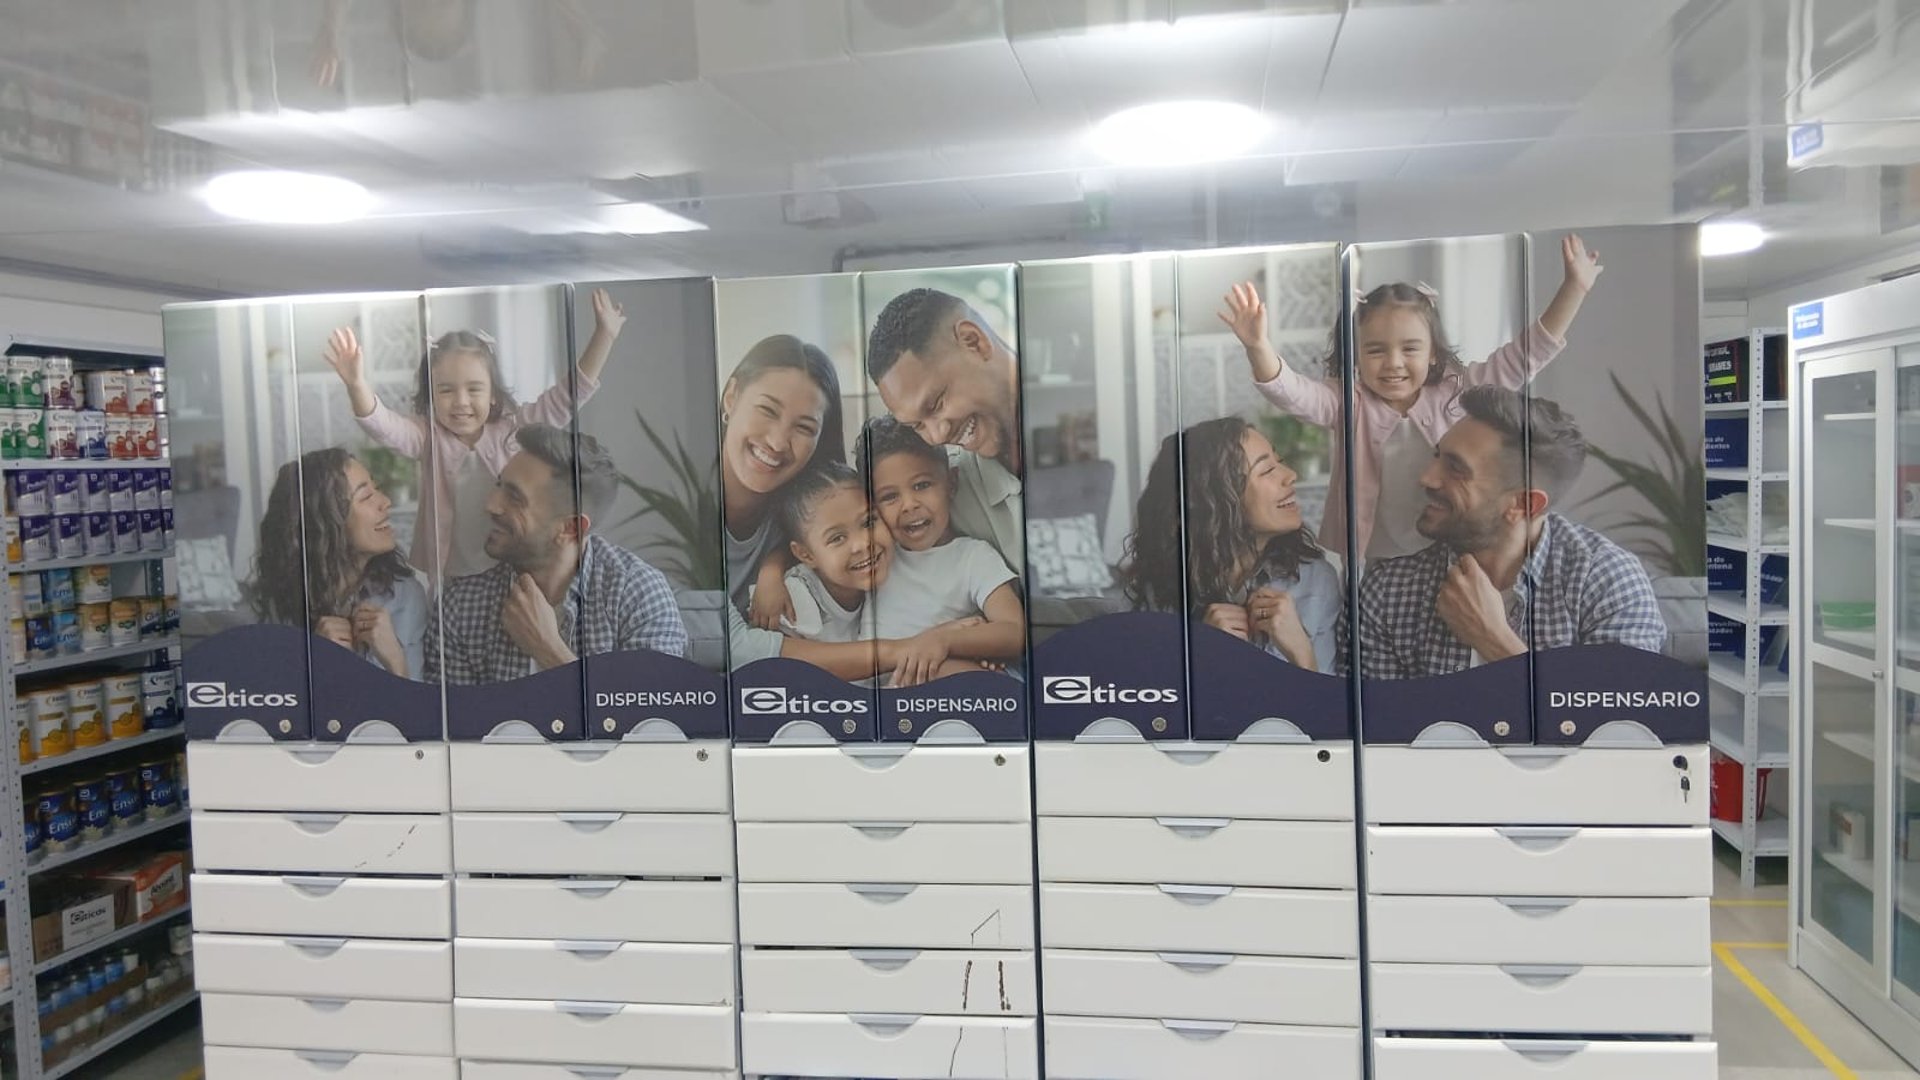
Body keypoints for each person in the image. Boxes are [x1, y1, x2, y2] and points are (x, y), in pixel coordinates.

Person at [1220, 234, 1604, 563]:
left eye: (1410, 349)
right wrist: (1257, 345)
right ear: (1354, 356)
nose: (1393, 364)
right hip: (1377, 553)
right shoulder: (1346, 402)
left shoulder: (1458, 392)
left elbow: (1525, 355)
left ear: (1433, 353)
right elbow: (1293, 393)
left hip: (1448, 546)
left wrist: (1574, 288)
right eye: (1374, 351)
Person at [1350, 385, 1667, 679]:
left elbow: (1618, 729)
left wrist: (1494, 641)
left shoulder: (1607, 580)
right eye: (1437, 456)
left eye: (1456, 468)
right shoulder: (1388, 591)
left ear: (1524, 504)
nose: (1427, 478)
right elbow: (1383, 730)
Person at [321, 287, 626, 582]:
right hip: (450, 571)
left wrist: (605, 336)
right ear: (430, 397)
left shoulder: (513, 430)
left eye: (474, 389)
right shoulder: (426, 437)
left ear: (493, 395)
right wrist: (356, 385)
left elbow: (566, 397)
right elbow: (382, 424)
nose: (461, 402)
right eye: (446, 390)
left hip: (508, 564)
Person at [426, 424, 686, 684]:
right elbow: (458, 722)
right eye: (499, 485)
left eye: (514, 497)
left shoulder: (638, 594)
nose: (491, 505)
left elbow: (650, 720)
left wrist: (548, 650)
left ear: (570, 528)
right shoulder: (461, 606)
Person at [1120, 417, 1339, 672]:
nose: (1291, 476)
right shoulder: (1155, 589)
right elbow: (1142, 701)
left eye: (1279, 463)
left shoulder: (1315, 581)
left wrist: (1300, 651)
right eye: (1267, 470)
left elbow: (1326, 710)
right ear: (1215, 500)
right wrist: (1201, 652)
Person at [769, 461, 1006, 688]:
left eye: (869, 522)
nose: (863, 544)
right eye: (837, 538)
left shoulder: (884, 566)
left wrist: (971, 642)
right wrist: (769, 572)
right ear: (806, 555)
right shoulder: (792, 600)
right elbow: (780, 674)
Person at [858, 417, 1025, 685]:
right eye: (889, 497)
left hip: (941, 691)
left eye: (922, 485)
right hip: (876, 697)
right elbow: (813, 542)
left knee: (950, 671)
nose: (909, 505)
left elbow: (1014, 632)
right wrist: (772, 570)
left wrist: (944, 640)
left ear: (951, 483)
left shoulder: (973, 557)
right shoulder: (872, 555)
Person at [866, 287, 1025, 567]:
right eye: (917, 425)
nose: (938, 435)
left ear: (974, 342)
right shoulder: (945, 485)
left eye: (937, 403)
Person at [249, 447, 426, 678]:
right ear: (326, 522)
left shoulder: (404, 596)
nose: (386, 501)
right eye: (366, 496)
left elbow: (415, 711)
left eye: (378, 489)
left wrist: (394, 659)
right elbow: (267, 703)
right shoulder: (276, 602)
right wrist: (315, 661)